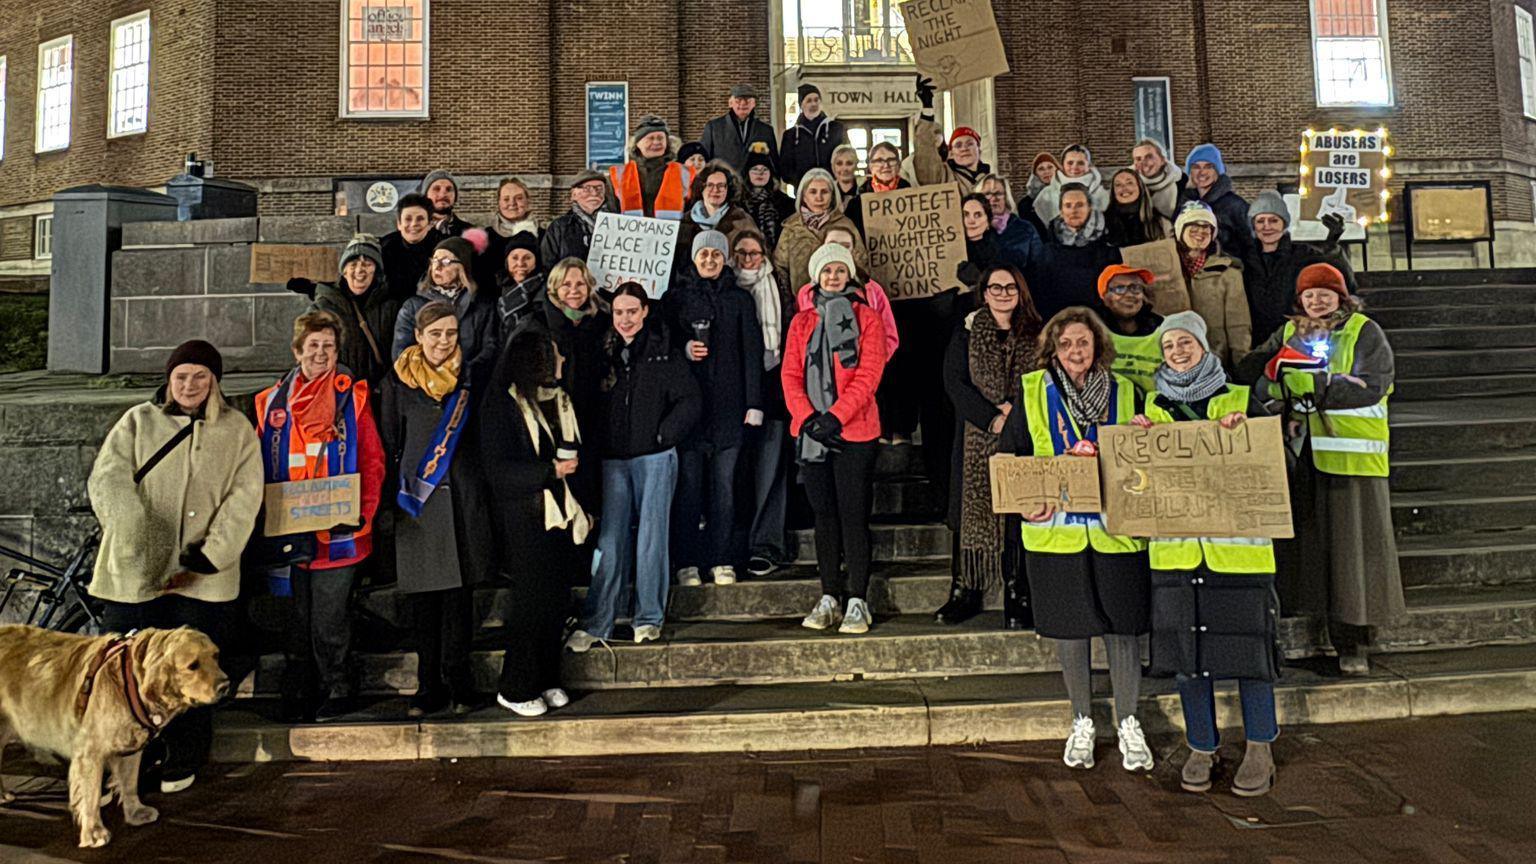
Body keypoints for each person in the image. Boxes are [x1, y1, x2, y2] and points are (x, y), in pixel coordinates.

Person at [87, 340, 262, 793]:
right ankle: (126, 759)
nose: (190, 385)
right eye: (182, 376)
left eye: (200, 377)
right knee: (127, 671)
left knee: (193, 671)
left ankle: (184, 752)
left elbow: (245, 497)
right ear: (169, 379)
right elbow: (108, 477)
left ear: (214, 382)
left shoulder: (237, 430)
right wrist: (130, 529)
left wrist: (213, 553)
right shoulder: (138, 421)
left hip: (200, 579)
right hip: (136, 572)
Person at [1131, 311, 1280, 797]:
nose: (1177, 351)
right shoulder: (1150, 408)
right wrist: (1135, 446)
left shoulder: (1241, 398)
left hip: (1237, 555)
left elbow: (1275, 467)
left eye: (1185, 343)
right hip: (1176, 555)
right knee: (1188, 658)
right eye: (1169, 345)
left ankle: (1260, 746)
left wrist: (1249, 434)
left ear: (1204, 347)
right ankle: (1201, 744)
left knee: (1250, 650)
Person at [998, 307, 1153, 773]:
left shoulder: (1128, 392)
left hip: (1116, 531)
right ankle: (1082, 720)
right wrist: (1026, 501)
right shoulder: (1032, 392)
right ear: (1053, 349)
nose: (1074, 352)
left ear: (1098, 346)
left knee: (1122, 627)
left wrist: (1146, 437)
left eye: (1082, 343)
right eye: (1065, 344)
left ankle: (1129, 721)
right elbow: (1009, 456)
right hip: (1057, 532)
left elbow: (1150, 463)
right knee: (1070, 629)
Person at [1238, 263, 1403, 675]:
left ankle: (1353, 643)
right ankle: (1310, 630)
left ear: (1341, 296)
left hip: (1352, 461)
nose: (1317, 301)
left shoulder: (1364, 331)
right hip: (1301, 456)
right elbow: (1260, 375)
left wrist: (1314, 390)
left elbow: (1375, 383)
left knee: (1354, 558)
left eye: (1325, 294)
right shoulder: (1290, 333)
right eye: (1309, 294)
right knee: (1310, 554)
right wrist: (1280, 403)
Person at [255, 311, 386, 722]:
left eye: (328, 346)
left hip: (338, 529)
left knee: (330, 617)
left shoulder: (355, 398)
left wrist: (363, 514)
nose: (321, 353)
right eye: (312, 345)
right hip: (289, 527)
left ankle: (339, 684)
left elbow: (373, 460)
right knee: (296, 617)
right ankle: (300, 686)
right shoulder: (268, 403)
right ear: (297, 351)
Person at [566, 284, 701, 651]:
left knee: (651, 540)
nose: (625, 319)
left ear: (644, 311)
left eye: (631, 311)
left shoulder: (662, 351)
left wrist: (663, 435)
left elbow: (689, 399)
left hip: (654, 457)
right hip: (613, 460)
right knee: (609, 541)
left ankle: (648, 617)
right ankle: (599, 619)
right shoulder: (602, 352)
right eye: (619, 312)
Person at [379, 302, 491, 719]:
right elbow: (390, 440)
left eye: (450, 334)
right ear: (419, 337)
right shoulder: (396, 382)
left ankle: (460, 679)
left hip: (462, 499)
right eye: (435, 334)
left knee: (459, 600)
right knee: (425, 603)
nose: (443, 342)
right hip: (417, 502)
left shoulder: (470, 378)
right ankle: (429, 685)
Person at [479, 330, 591, 716]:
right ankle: (515, 685)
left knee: (556, 601)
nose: (561, 361)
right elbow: (498, 471)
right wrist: (549, 472)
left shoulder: (557, 400)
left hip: (561, 516)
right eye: (554, 355)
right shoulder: (501, 404)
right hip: (525, 518)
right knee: (530, 604)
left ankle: (546, 677)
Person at [783, 243, 890, 635]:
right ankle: (829, 594)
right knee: (823, 515)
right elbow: (791, 374)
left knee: (852, 514)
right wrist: (809, 417)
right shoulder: (801, 323)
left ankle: (858, 599)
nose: (833, 277)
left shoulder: (867, 318)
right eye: (826, 272)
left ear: (849, 275)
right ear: (816, 277)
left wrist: (836, 416)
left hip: (854, 431)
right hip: (813, 433)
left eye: (839, 271)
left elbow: (869, 373)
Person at [939, 265, 1041, 628]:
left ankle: (1018, 591)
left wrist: (1014, 414)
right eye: (995, 287)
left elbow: (1042, 377)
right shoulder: (967, 331)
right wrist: (990, 417)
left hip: (1022, 433)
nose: (1002, 293)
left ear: (1020, 291)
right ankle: (965, 589)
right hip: (974, 435)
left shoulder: (1037, 332)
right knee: (971, 510)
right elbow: (954, 381)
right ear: (983, 293)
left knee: (1015, 512)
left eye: (1010, 286)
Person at [663, 230, 764, 586]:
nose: (709, 260)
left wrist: (754, 403)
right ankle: (687, 561)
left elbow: (752, 353)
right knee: (689, 490)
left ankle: (723, 559)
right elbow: (665, 346)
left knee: (725, 489)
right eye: (703, 254)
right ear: (694, 259)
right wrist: (685, 350)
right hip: (689, 414)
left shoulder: (740, 300)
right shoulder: (676, 299)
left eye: (715, 255)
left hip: (728, 410)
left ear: (725, 259)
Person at [527, 258, 612, 513]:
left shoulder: (601, 322)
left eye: (580, 284)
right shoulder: (539, 322)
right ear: (554, 288)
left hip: (593, 415)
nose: (574, 290)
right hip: (555, 419)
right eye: (566, 284)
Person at [735, 229, 794, 577]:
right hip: (732, 392)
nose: (747, 259)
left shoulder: (779, 287)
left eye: (754, 253)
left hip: (772, 384)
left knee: (771, 470)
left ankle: (766, 544)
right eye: (741, 253)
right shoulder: (725, 290)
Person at [1243, 191, 1355, 343]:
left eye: (1274, 220)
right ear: (1253, 226)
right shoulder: (1244, 258)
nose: (1267, 226)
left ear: (1284, 224)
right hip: (1254, 338)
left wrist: (1332, 242)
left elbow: (1341, 277)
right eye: (1260, 221)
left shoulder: (1303, 254)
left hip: (1296, 335)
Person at [392, 236, 499, 383]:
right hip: (422, 391)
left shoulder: (482, 307)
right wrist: (435, 379)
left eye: (446, 261)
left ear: (463, 266)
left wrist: (462, 375)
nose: (438, 266)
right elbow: (401, 353)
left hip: (468, 389)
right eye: (435, 260)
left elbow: (489, 349)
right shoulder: (413, 306)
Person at [306, 233, 398, 391]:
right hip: (340, 393)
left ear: (376, 271)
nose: (359, 270)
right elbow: (308, 352)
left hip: (379, 396)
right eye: (353, 264)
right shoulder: (323, 306)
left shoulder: (391, 307)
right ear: (344, 271)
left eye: (367, 264)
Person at [772, 167, 869, 302]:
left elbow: (861, 265)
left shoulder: (845, 225)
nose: (819, 197)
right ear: (803, 196)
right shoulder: (791, 228)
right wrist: (788, 305)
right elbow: (780, 269)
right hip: (801, 304)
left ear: (832, 195)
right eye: (813, 192)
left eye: (824, 192)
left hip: (842, 302)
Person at [1174, 203, 1251, 368]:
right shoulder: (1167, 270)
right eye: (1193, 228)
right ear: (1180, 231)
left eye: (1206, 229)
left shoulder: (1228, 274)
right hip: (1173, 361)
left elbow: (1239, 325)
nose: (1200, 234)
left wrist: (1242, 365)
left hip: (1214, 361)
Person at [1031, 184, 1121, 322]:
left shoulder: (1108, 247)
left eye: (1080, 205)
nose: (1074, 210)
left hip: (1100, 323)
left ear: (1089, 208)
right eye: (1068, 205)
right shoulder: (1047, 252)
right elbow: (1040, 295)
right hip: (1059, 323)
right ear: (1061, 211)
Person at [1094, 265, 1165, 397]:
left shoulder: (1164, 328)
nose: (1129, 295)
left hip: (1156, 413)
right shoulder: (1091, 333)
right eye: (1119, 289)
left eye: (1136, 288)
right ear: (1104, 297)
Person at [911, 76, 991, 194]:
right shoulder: (942, 176)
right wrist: (927, 110)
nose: (964, 148)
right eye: (958, 145)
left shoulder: (991, 180)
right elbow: (925, 152)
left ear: (979, 149)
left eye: (970, 144)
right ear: (951, 153)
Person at [676, 159, 758, 269]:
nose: (715, 190)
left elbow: (755, 259)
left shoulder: (743, 221)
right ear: (701, 188)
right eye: (710, 185)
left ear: (728, 189)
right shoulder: (684, 222)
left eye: (721, 185)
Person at [610, 114, 691, 220]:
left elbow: (693, 210)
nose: (656, 142)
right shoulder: (619, 174)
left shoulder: (685, 173)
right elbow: (611, 211)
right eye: (650, 138)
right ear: (637, 143)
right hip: (631, 235)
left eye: (661, 138)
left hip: (675, 235)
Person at [1181, 143, 1253, 260]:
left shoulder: (1236, 206)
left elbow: (1250, 246)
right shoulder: (1184, 203)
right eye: (1196, 167)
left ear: (1218, 171)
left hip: (1225, 272)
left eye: (1209, 166)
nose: (1202, 172)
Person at [779, 82, 849, 186]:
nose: (813, 104)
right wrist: (804, 184)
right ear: (801, 105)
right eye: (809, 101)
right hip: (804, 193)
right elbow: (785, 170)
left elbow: (847, 157)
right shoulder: (791, 136)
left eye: (816, 100)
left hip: (833, 188)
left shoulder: (837, 129)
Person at [699, 84, 779, 174]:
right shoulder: (713, 128)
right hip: (725, 184)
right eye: (738, 100)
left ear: (754, 103)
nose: (743, 103)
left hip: (755, 185)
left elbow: (774, 163)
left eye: (748, 100)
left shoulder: (766, 130)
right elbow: (704, 160)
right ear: (730, 103)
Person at [380, 193, 442, 304]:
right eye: (408, 219)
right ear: (399, 224)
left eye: (420, 219)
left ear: (430, 224)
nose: (413, 224)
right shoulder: (384, 248)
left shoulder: (442, 249)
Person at [481, 177, 542, 290]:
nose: (512, 203)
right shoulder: (486, 237)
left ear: (528, 201)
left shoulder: (543, 236)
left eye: (518, 198)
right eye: (506, 199)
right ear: (498, 203)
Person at [542, 171, 613, 266]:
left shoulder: (618, 224)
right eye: (587, 188)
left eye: (599, 188)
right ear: (574, 195)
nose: (594, 193)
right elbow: (547, 264)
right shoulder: (559, 228)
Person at [976, 173, 1043, 272]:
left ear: (1006, 197)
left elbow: (1040, 265)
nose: (993, 199)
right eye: (987, 194)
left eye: (998, 194)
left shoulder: (1026, 229)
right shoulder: (971, 229)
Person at [1033, 144, 1111, 226]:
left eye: (1080, 163)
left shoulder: (1102, 195)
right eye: (1070, 163)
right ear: (1063, 165)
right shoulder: (1046, 195)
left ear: (1088, 165)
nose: (1075, 167)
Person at [742, 146, 796, 250]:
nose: (760, 173)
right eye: (755, 169)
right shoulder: (739, 203)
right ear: (747, 173)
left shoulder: (786, 203)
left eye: (765, 169)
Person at [494, 231, 545, 340]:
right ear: (507, 262)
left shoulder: (546, 292)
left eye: (527, 258)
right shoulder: (498, 290)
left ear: (536, 261)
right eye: (514, 258)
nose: (520, 264)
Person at [1104, 169, 1172, 248]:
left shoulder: (1161, 223)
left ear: (1140, 187)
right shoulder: (1102, 223)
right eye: (1118, 185)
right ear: (1113, 191)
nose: (1124, 187)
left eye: (1129, 183)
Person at [1132, 138, 1187, 222]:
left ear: (1162, 160)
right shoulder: (1128, 182)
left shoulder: (1181, 181)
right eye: (1138, 159)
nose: (1143, 163)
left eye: (1149, 157)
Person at [420, 169, 472, 236]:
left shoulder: (469, 232)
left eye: (449, 189)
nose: (443, 194)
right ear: (426, 196)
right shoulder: (413, 231)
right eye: (436, 189)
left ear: (455, 197)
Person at [1020, 153, 1059, 238]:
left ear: (1057, 169)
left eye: (1050, 167)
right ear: (1035, 174)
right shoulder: (1026, 204)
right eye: (1041, 169)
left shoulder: (1068, 194)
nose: (1046, 172)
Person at [829, 144, 861, 210]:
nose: (844, 168)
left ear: (856, 165)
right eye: (839, 163)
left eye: (849, 163)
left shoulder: (866, 190)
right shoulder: (827, 192)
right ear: (833, 166)